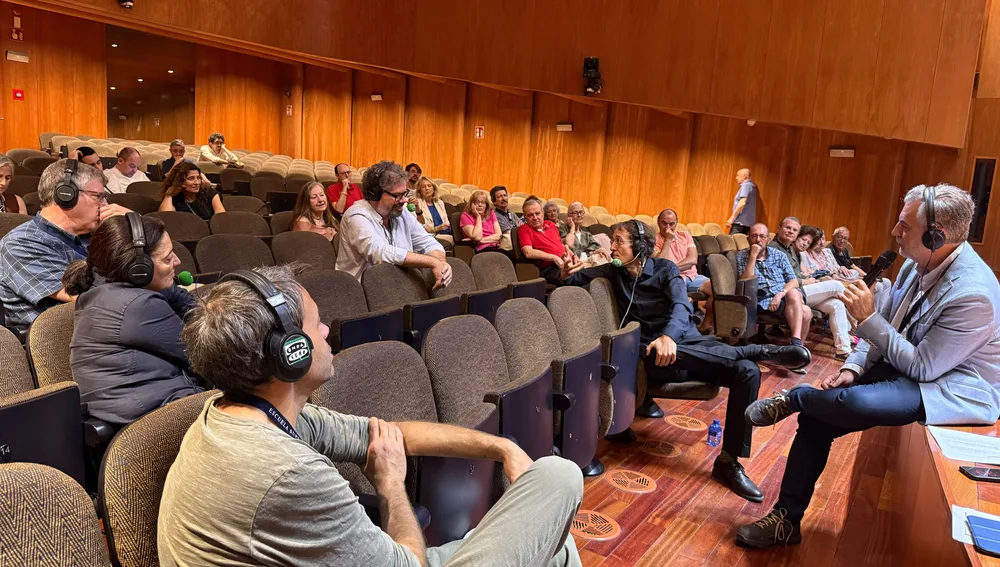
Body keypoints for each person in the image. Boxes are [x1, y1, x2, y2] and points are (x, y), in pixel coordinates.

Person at [157, 265, 584, 567]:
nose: (327, 331)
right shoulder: (288, 475)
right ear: (290, 353)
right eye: (316, 324)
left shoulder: (246, 413)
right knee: (558, 476)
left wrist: (502, 447)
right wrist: (390, 484)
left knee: (556, 548)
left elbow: (385, 435)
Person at [738, 184, 1000, 549]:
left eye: (904, 225)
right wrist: (853, 368)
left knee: (855, 402)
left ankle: (796, 397)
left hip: (947, 385)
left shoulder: (974, 294)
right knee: (817, 419)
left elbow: (922, 367)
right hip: (906, 365)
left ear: (936, 235)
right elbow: (886, 330)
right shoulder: (914, 263)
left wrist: (868, 318)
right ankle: (786, 520)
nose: (895, 232)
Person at [559, 220, 810, 502]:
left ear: (640, 246)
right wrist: (566, 272)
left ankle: (728, 462)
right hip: (652, 355)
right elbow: (572, 280)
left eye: (619, 241)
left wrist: (669, 335)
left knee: (748, 372)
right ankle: (758, 350)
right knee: (672, 351)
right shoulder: (613, 270)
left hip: (689, 343)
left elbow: (681, 306)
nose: (612, 247)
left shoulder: (666, 269)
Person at [63, 213, 203, 427]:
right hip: (153, 420)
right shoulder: (138, 305)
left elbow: (179, 297)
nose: (177, 261)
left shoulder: (104, 289)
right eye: (167, 258)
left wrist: (169, 288)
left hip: (146, 408)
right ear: (139, 269)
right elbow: (205, 355)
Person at [0, 159, 129, 326]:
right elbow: (93, 297)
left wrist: (136, 228)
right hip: (60, 337)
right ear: (66, 195)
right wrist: (129, 230)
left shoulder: (94, 236)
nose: (106, 205)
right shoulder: (21, 244)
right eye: (99, 196)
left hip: (104, 326)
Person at [336, 160, 452, 288]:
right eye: (397, 195)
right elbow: (379, 252)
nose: (403, 200)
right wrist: (432, 262)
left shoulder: (401, 212)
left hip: (395, 288)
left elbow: (428, 241)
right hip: (359, 292)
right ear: (375, 194)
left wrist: (441, 263)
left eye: (404, 194)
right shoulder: (356, 216)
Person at [769, 218, 853, 361]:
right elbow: (783, 280)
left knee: (836, 305)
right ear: (779, 228)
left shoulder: (790, 250)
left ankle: (843, 350)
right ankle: (858, 319)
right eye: (788, 228)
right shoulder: (774, 249)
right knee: (837, 286)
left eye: (794, 230)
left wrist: (808, 278)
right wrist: (807, 280)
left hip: (800, 290)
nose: (791, 232)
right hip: (789, 293)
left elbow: (796, 274)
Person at [737, 223, 812, 349]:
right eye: (754, 236)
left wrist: (780, 294)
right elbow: (746, 282)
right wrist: (753, 256)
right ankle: (797, 347)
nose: (758, 240)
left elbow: (793, 280)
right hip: (762, 300)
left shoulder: (779, 255)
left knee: (793, 292)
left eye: (762, 236)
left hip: (782, 297)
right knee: (806, 312)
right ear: (748, 239)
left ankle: (796, 344)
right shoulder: (742, 256)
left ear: (768, 239)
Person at [654, 209, 713, 331]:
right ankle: (686, 328)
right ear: (658, 222)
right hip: (672, 279)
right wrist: (668, 240)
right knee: (685, 301)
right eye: (664, 223)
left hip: (692, 277)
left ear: (676, 223)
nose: (668, 228)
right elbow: (661, 264)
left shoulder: (685, 236)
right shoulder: (653, 240)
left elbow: (692, 260)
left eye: (671, 224)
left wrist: (671, 267)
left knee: (718, 289)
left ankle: (705, 325)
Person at [518, 196, 575, 285]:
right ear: (525, 217)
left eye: (537, 213)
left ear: (542, 213)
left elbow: (561, 245)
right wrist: (554, 257)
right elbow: (528, 252)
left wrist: (574, 256)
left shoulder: (551, 224)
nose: (535, 218)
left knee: (592, 273)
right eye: (530, 215)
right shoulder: (524, 229)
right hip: (550, 269)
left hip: (567, 262)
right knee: (579, 275)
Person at [158, 162, 225, 220]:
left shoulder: (210, 193)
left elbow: (221, 219)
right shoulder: (175, 199)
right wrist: (170, 193)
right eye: (191, 178)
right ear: (180, 181)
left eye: (198, 178)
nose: (197, 182)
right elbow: (165, 217)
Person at [412, 176, 452, 245]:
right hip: (429, 235)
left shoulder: (439, 202)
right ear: (420, 190)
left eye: (429, 186)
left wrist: (446, 226)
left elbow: (446, 220)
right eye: (423, 187)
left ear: (433, 188)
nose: (427, 188)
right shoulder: (416, 204)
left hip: (444, 232)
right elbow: (419, 226)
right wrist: (436, 229)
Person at [726, 168, 757, 235]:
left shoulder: (746, 185)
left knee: (731, 241)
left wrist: (732, 218)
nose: (736, 177)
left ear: (745, 176)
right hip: (747, 223)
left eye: (738, 175)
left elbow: (742, 203)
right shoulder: (752, 186)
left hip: (740, 223)